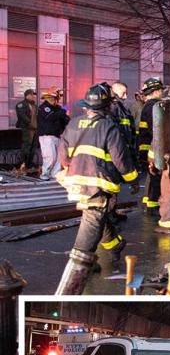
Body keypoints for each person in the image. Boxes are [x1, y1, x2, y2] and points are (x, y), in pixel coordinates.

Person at [54, 83, 138, 295]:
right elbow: (120, 159)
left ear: (86, 106)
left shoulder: (72, 124)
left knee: (98, 214)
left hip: (76, 181)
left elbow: (63, 156)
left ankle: (114, 244)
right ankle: (81, 264)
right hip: (99, 182)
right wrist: (133, 179)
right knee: (93, 218)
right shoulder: (108, 126)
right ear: (107, 107)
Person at [137, 78, 166, 213]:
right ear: (156, 91)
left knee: (152, 175)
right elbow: (157, 131)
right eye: (160, 90)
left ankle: (151, 203)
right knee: (157, 175)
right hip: (155, 148)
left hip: (149, 147)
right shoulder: (156, 107)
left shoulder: (146, 107)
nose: (162, 92)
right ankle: (153, 205)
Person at [36, 89, 69, 180]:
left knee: (59, 157)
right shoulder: (43, 108)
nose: (53, 100)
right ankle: (45, 174)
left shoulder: (58, 108)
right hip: (46, 135)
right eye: (51, 98)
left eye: (54, 98)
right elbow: (51, 117)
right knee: (50, 156)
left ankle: (55, 174)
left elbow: (64, 119)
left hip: (57, 135)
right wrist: (62, 111)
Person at [14, 88, 38, 174]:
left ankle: (29, 164)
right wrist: (31, 124)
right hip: (27, 129)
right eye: (32, 94)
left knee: (33, 147)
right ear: (27, 95)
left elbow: (37, 116)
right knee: (27, 146)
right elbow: (22, 116)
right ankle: (22, 163)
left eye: (34, 95)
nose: (33, 96)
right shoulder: (20, 105)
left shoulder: (35, 105)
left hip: (35, 129)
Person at [110, 81, 137, 157]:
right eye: (123, 93)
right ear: (115, 93)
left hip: (125, 150)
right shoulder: (111, 110)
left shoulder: (124, 110)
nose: (125, 97)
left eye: (126, 94)